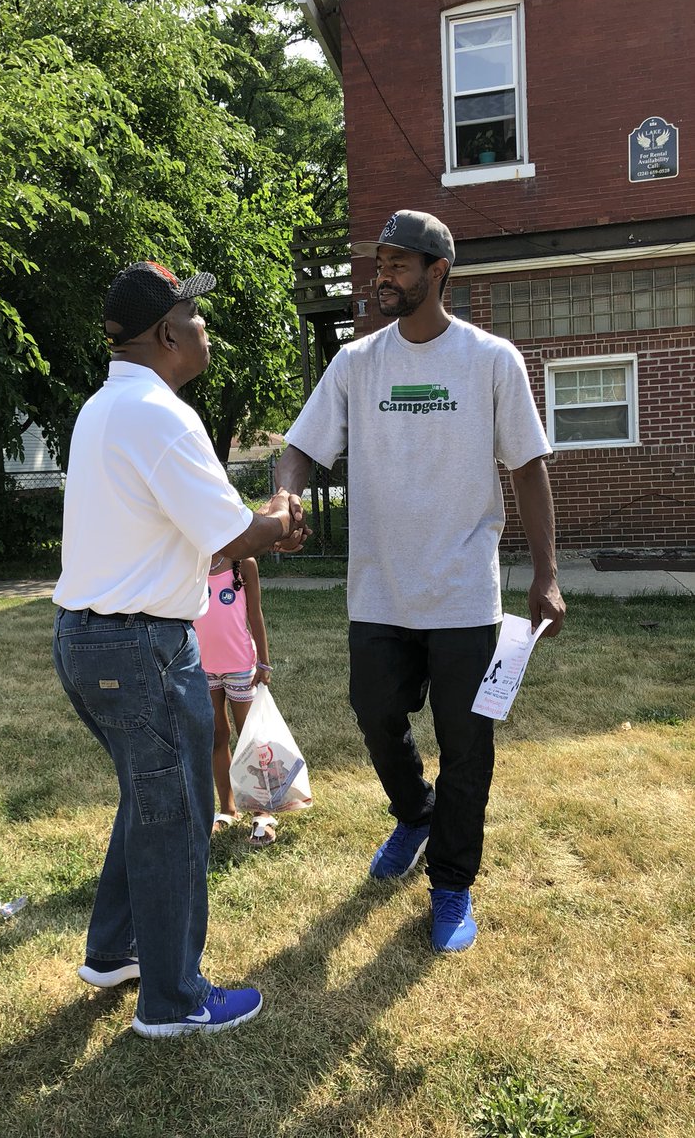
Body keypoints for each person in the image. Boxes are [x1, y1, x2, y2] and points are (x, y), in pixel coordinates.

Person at [274, 209, 566, 954]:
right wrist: (285, 494)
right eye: (379, 263)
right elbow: (301, 447)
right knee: (374, 713)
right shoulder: (357, 364)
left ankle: (450, 884)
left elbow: (529, 469)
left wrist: (547, 575)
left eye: (398, 264)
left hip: (466, 591)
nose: (383, 276)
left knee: (468, 744)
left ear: (439, 272)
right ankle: (413, 811)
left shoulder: (490, 360)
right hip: (379, 588)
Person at [52, 260, 306, 1039]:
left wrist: (252, 524)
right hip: (138, 646)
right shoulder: (160, 414)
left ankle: (115, 950)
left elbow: (199, 537)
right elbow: (231, 538)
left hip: (91, 636)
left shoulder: (105, 407)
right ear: (166, 333)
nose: (205, 329)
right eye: (194, 318)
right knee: (180, 812)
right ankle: (174, 1000)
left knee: (151, 799)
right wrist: (282, 515)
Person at [193, 553, 278, 847]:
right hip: (202, 667)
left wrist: (263, 663)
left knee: (250, 739)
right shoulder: (190, 560)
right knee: (217, 735)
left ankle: (262, 812)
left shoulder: (245, 564)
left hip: (241, 665)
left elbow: (255, 614)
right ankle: (227, 808)